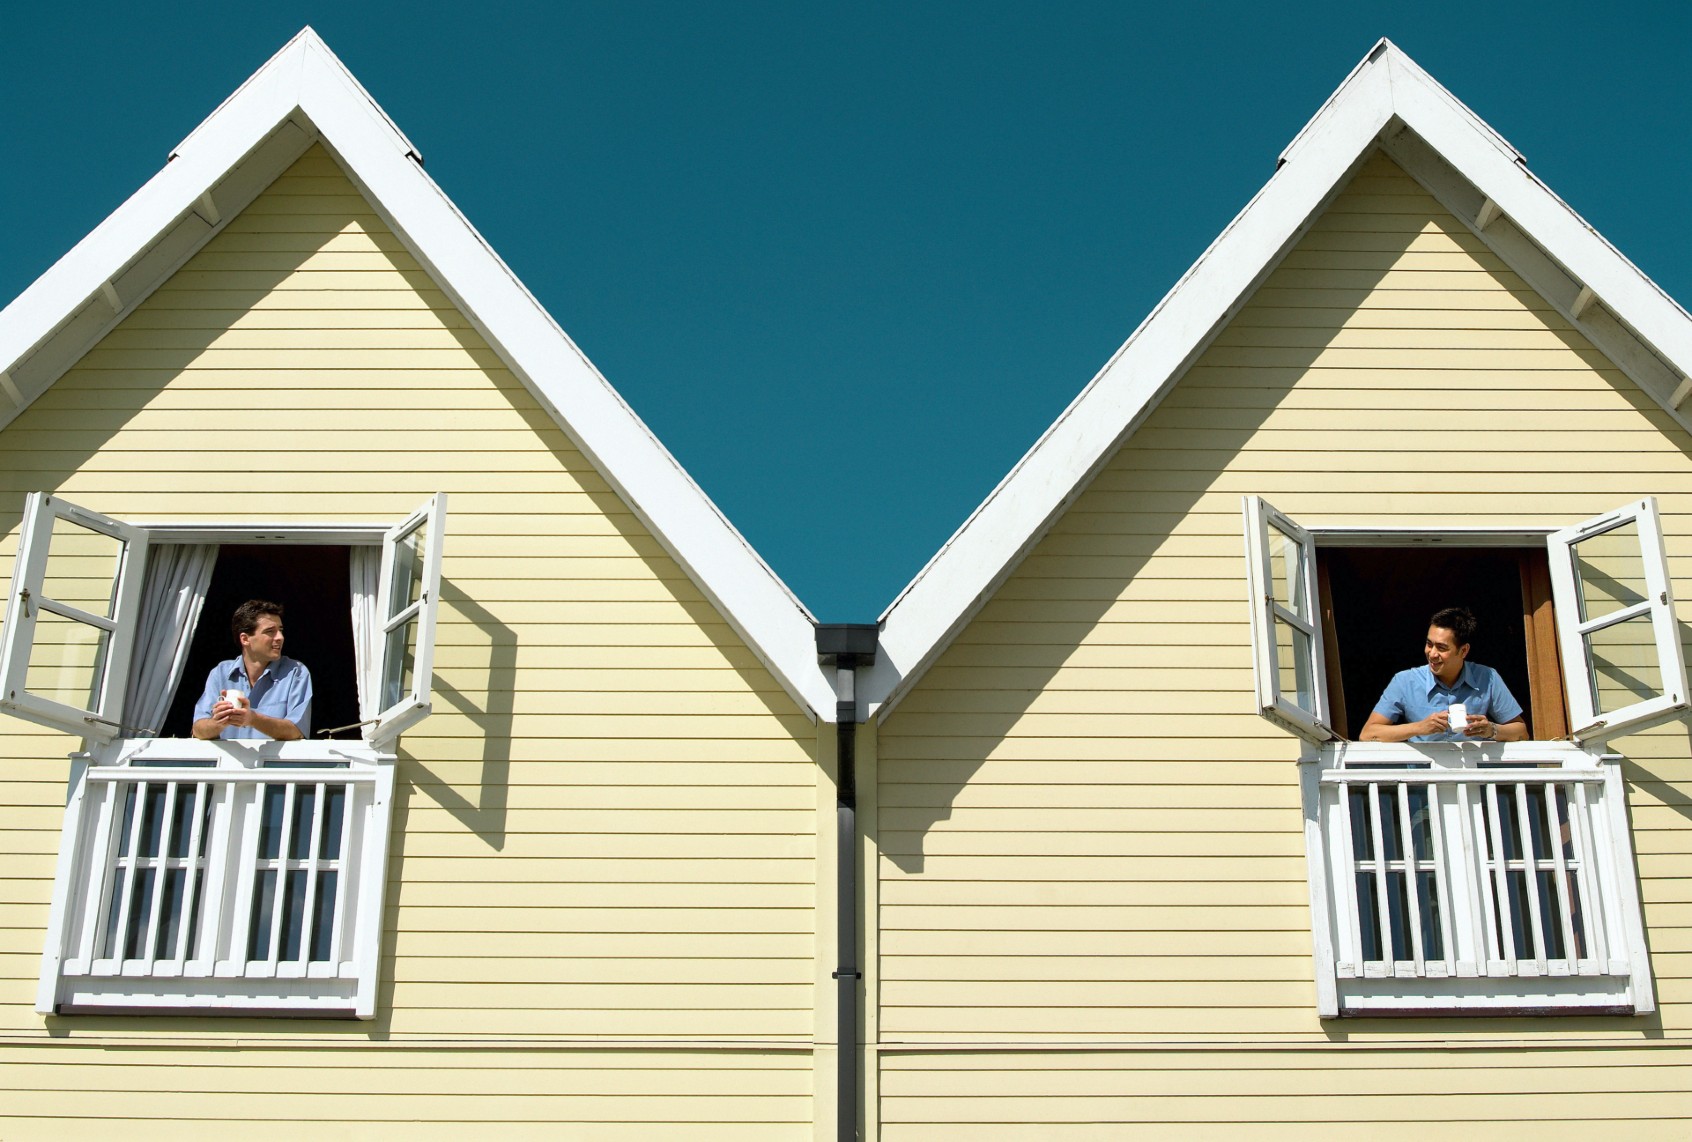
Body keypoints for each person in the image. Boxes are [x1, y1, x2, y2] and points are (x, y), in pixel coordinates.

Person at [1359, 606, 1528, 743]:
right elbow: (1367, 734)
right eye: (1429, 644)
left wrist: (1491, 730)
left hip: (1472, 780)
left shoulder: (1488, 677)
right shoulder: (1404, 681)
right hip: (1422, 781)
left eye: (1441, 648)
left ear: (1463, 651)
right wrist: (1419, 728)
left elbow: (1521, 732)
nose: (1432, 654)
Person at [191, 599, 313, 740]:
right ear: (245, 639)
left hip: (271, 762)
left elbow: (296, 731)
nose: (280, 637)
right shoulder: (221, 673)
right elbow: (198, 729)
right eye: (270, 632)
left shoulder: (296, 672)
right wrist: (219, 722)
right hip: (228, 761)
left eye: (280, 630)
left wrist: (252, 719)